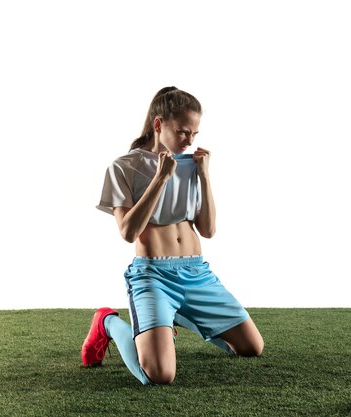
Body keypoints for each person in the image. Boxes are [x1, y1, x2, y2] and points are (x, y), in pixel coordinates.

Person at [81, 86, 264, 385]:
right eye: (182, 131)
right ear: (158, 125)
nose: (189, 140)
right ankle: (107, 322)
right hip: (154, 276)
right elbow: (128, 232)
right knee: (159, 376)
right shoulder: (123, 167)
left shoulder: (192, 165)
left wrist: (204, 176)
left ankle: (173, 316)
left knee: (252, 348)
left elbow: (208, 230)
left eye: (194, 133)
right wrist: (161, 177)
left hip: (197, 273)